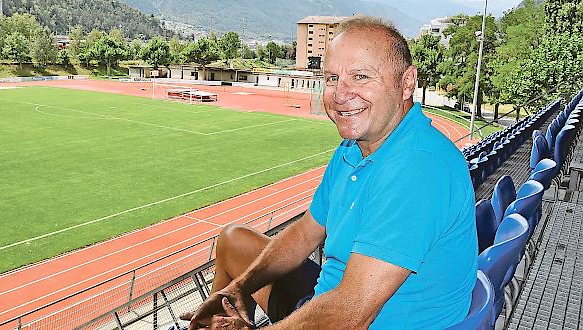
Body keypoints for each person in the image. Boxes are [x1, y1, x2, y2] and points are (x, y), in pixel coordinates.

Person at [182, 15, 478, 329]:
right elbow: (303, 234)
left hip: (353, 318)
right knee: (233, 240)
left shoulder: (419, 167)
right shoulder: (353, 149)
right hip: (326, 301)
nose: (339, 94)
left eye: (361, 76)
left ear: (406, 83)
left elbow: (349, 315)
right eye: (332, 78)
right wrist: (240, 287)